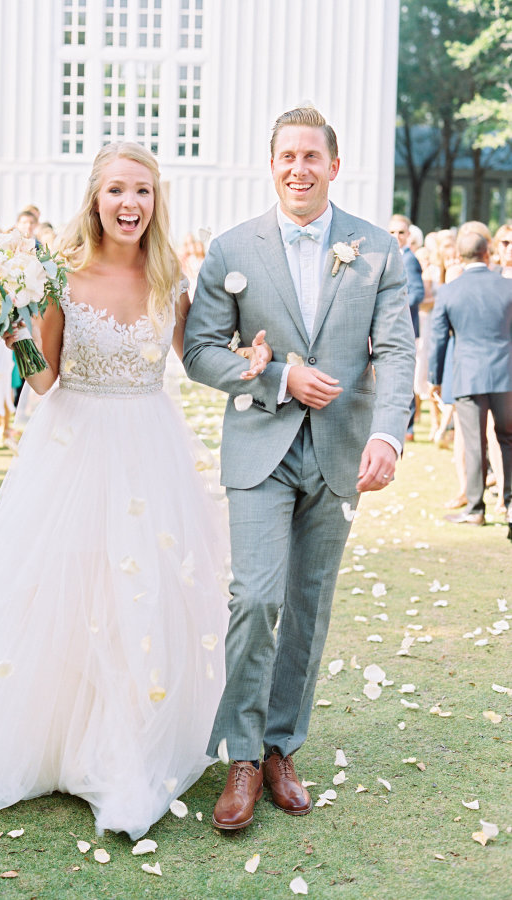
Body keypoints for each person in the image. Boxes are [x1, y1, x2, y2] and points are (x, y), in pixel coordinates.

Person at [0, 142, 267, 838]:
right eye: (116, 192)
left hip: (150, 446)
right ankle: (58, 741)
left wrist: (246, 362)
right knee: (70, 591)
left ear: (155, 202)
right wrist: (12, 331)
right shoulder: (59, 274)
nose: (129, 204)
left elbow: (194, 358)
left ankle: (124, 747)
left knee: (144, 594)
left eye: (142, 192)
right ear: (94, 199)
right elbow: (44, 381)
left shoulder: (169, 273)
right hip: (74, 446)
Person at [184, 106, 415, 831]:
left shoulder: (375, 250)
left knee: (308, 612)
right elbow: (199, 349)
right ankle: (242, 756)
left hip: (343, 452)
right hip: (260, 448)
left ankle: (282, 745)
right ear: (271, 162)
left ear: (333, 166)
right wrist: (277, 376)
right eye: (286, 156)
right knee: (254, 599)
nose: (298, 168)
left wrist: (388, 436)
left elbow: (398, 351)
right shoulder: (230, 249)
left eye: (311, 157)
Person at [428, 230, 512, 539]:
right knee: (508, 438)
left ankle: (476, 509)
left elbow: (438, 339)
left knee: (475, 442)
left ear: (460, 258)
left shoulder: (449, 291)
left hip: (469, 375)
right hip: (507, 374)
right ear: (488, 253)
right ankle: (510, 503)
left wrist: (435, 379)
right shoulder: (508, 287)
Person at [388, 214, 424, 440]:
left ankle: (408, 427)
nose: (397, 237)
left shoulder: (409, 259)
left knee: (404, 376)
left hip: (406, 327)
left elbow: (418, 293)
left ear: (409, 235)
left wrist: (393, 307)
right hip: (391, 328)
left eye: (401, 232)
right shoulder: (390, 255)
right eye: (392, 232)